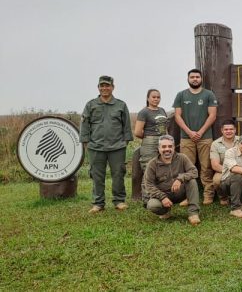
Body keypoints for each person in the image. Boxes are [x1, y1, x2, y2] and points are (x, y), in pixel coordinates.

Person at [80, 75, 133, 213]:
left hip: (117, 147)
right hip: (96, 147)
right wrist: (86, 142)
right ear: (98, 87)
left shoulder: (121, 105)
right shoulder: (91, 105)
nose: (104, 88)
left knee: (118, 175)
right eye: (102, 86)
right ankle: (98, 203)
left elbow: (127, 126)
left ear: (112, 87)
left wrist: (125, 141)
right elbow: (85, 125)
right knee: (97, 176)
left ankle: (119, 201)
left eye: (107, 85)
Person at [173, 68, 218, 205]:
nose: (195, 79)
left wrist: (200, 131)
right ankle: (187, 196)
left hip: (205, 137)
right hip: (186, 138)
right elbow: (177, 116)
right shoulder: (181, 95)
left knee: (206, 167)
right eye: (192, 77)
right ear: (188, 79)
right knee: (187, 167)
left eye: (197, 77)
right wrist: (190, 132)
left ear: (201, 79)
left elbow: (212, 115)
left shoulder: (209, 94)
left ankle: (208, 194)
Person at [142, 135, 201, 225]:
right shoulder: (152, 164)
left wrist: (180, 179)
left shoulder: (182, 158)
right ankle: (165, 211)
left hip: (180, 192)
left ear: (174, 147)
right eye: (164, 147)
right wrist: (162, 197)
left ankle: (193, 213)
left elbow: (194, 171)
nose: (167, 149)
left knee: (192, 181)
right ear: (159, 148)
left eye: (170, 146)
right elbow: (148, 184)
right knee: (152, 205)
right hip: (163, 195)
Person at [133, 89, 168, 200]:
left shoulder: (162, 110)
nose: (156, 99)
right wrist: (150, 138)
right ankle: (147, 198)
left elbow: (165, 128)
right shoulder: (144, 112)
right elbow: (138, 132)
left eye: (158, 97)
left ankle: (159, 195)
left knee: (161, 169)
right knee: (149, 169)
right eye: (153, 97)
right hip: (149, 142)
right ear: (148, 98)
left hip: (162, 141)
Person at [210, 119, 239, 206]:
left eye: (231, 129)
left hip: (241, 169)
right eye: (226, 129)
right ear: (222, 130)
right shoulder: (215, 144)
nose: (228, 131)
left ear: (235, 130)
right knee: (217, 180)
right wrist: (231, 171)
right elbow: (215, 165)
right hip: (223, 170)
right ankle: (223, 197)